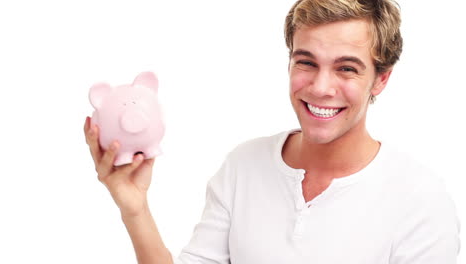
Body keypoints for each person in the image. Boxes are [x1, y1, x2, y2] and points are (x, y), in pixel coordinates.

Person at [84, 0, 460, 263]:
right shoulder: (243, 166)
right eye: (306, 62)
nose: (320, 87)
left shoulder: (419, 200)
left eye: (347, 68)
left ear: (380, 80)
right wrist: (134, 208)